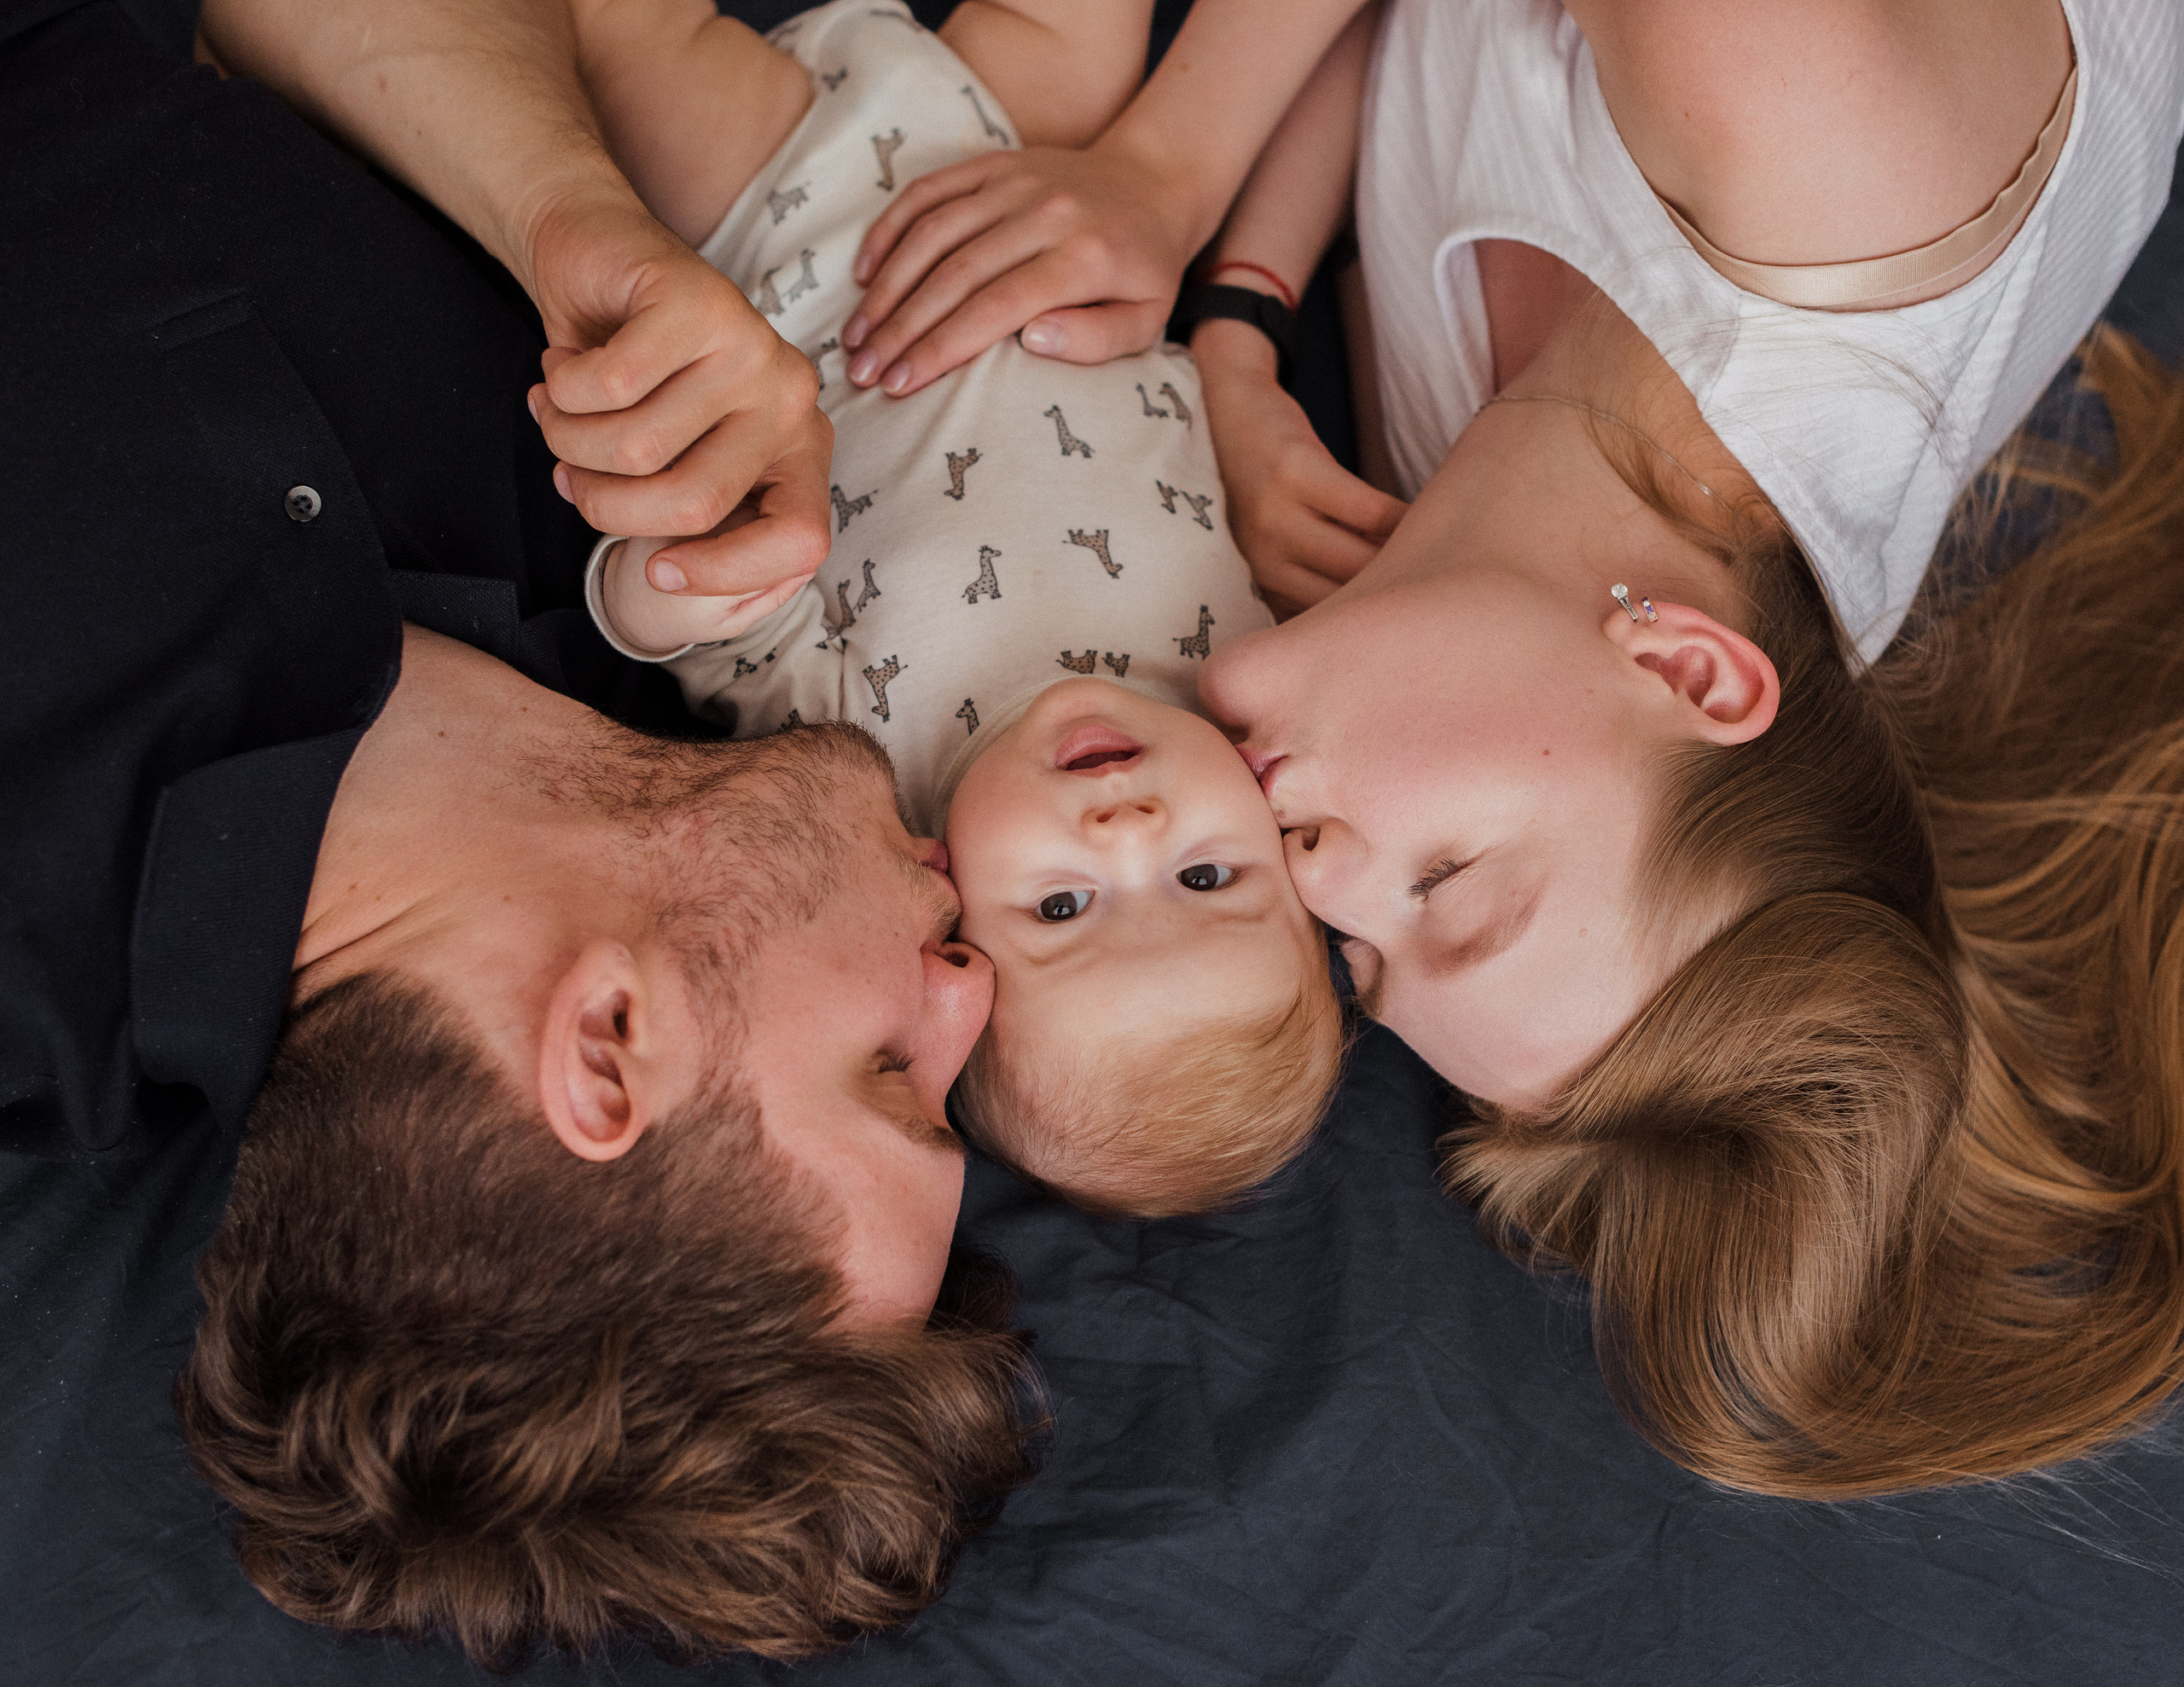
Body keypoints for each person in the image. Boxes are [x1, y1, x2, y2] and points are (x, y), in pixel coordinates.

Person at [842, 0, 2184, 1496]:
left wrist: (1240, 339)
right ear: (1687, 669)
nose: (1315, 879)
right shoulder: (1814, 128)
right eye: (1452, 880)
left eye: (1365, 953)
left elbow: (1403, 59)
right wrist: (1172, 163)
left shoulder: (1479, 544)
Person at [1, 0, 1035, 1664]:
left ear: (608, 1045)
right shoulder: (658, 596)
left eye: (894, 1077)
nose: (972, 990)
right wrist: (570, 218)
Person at [578, 0, 1343, 1220]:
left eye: (1063, 906)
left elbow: (696, 628)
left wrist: (683, 582)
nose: (1130, 828)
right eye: (1208, 876)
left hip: (792, 220)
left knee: (617, 46)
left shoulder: (870, 770)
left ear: (950, 918)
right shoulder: (1260, 673)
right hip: (1045, 171)